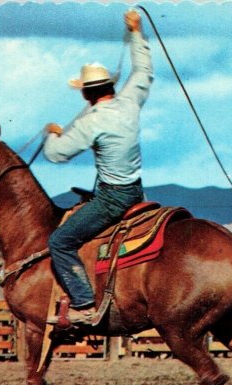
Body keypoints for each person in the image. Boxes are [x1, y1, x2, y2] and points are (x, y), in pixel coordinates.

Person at [44, 10, 153, 325]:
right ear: (110, 86)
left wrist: (53, 134)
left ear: (85, 92)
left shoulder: (92, 121)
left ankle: (83, 302)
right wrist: (136, 31)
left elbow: (57, 155)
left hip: (111, 198)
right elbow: (144, 70)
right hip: (136, 191)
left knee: (60, 241)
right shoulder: (131, 100)